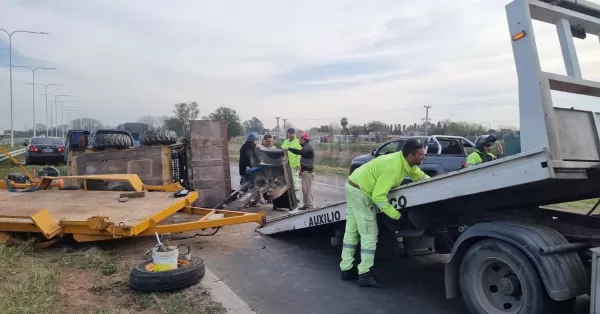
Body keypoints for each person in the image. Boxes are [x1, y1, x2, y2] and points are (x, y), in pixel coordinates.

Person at [340, 138, 430, 288]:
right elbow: (378, 196)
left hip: (352, 184)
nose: (423, 157)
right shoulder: (394, 167)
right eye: (421, 155)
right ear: (410, 156)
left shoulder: (406, 163)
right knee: (369, 232)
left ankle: (346, 268)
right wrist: (397, 216)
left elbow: (419, 176)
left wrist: (437, 182)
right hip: (360, 192)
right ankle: (364, 273)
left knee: (352, 230)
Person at [282, 132, 315, 210]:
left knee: (308, 189)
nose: (299, 140)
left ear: (304, 139)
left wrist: (289, 148)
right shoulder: (306, 146)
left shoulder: (308, 147)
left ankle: (310, 205)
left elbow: (300, 152)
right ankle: (306, 204)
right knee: (305, 189)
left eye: (300, 138)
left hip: (308, 171)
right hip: (305, 171)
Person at [280, 128, 302, 202]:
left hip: (294, 166)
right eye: (290, 133)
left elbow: (299, 154)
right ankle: (289, 198)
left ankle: (297, 198)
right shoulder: (285, 142)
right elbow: (281, 150)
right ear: (288, 134)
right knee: (287, 182)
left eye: (293, 133)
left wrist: (298, 164)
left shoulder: (297, 142)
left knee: (295, 182)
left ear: (294, 133)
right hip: (286, 165)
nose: (292, 135)